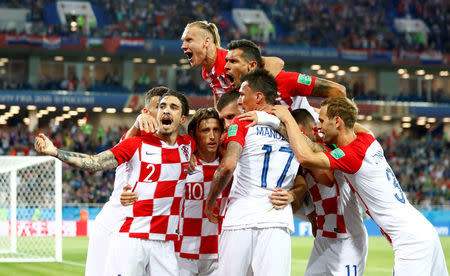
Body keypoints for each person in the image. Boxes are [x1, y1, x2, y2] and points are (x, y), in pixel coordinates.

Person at [272, 97, 448, 276]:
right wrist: (319, 112)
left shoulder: (351, 156)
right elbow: (352, 125)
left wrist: (287, 118)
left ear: (338, 121)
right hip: (424, 230)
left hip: (410, 242)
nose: (319, 126)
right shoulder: (368, 139)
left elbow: (306, 157)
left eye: (323, 121)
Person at [35, 90, 195, 276]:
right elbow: (96, 162)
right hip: (132, 237)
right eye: (161, 107)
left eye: (173, 107)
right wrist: (56, 152)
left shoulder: (188, 145)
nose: (166, 111)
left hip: (165, 242)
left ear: (183, 119)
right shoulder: (135, 143)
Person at [205, 69, 306, 276]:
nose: (240, 100)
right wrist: (293, 194)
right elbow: (306, 167)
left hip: (241, 217)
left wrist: (210, 201)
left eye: (242, 95)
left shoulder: (242, 123)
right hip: (277, 221)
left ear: (258, 97)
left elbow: (228, 165)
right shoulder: (296, 132)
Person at [84, 86, 167, 276]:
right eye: (159, 106)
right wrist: (137, 124)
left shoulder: (179, 146)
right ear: (145, 112)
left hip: (151, 231)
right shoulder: (134, 139)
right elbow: (122, 147)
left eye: (169, 106)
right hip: (115, 224)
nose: (164, 111)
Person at [291, 108, 368, 276]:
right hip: (324, 236)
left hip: (347, 238)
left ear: (309, 131)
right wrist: (312, 215)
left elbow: (327, 180)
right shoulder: (298, 158)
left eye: (296, 133)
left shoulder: (328, 146)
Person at [224, 39, 346, 122]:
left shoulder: (285, 80)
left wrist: (333, 124)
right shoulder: (240, 93)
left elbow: (338, 91)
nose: (226, 67)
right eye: (227, 61)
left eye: (233, 61)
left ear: (252, 65)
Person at [180, 21, 284, 103]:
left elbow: (277, 63)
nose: (183, 46)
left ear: (207, 42)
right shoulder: (206, 72)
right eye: (183, 41)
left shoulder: (229, 58)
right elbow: (220, 97)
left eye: (189, 40)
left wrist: (264, 98)